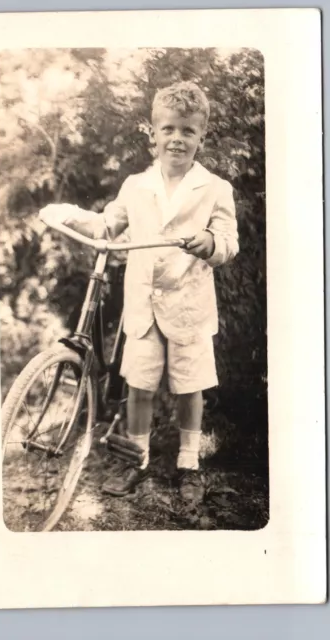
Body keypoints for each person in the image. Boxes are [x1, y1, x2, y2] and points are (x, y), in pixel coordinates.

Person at [39, 81, 239, 505]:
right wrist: (70, 215)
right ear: (153, 134)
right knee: (140, 386)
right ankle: (136, 457)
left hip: (189, 307)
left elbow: (227, 241)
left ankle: (189, 464)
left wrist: (210, 242)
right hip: (144, 308)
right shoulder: (135, 186)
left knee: (190, 388)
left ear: (201, 136)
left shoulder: (215, 188)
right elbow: (107, 226)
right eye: (168, 129)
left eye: (187, 130)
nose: (177, 139)